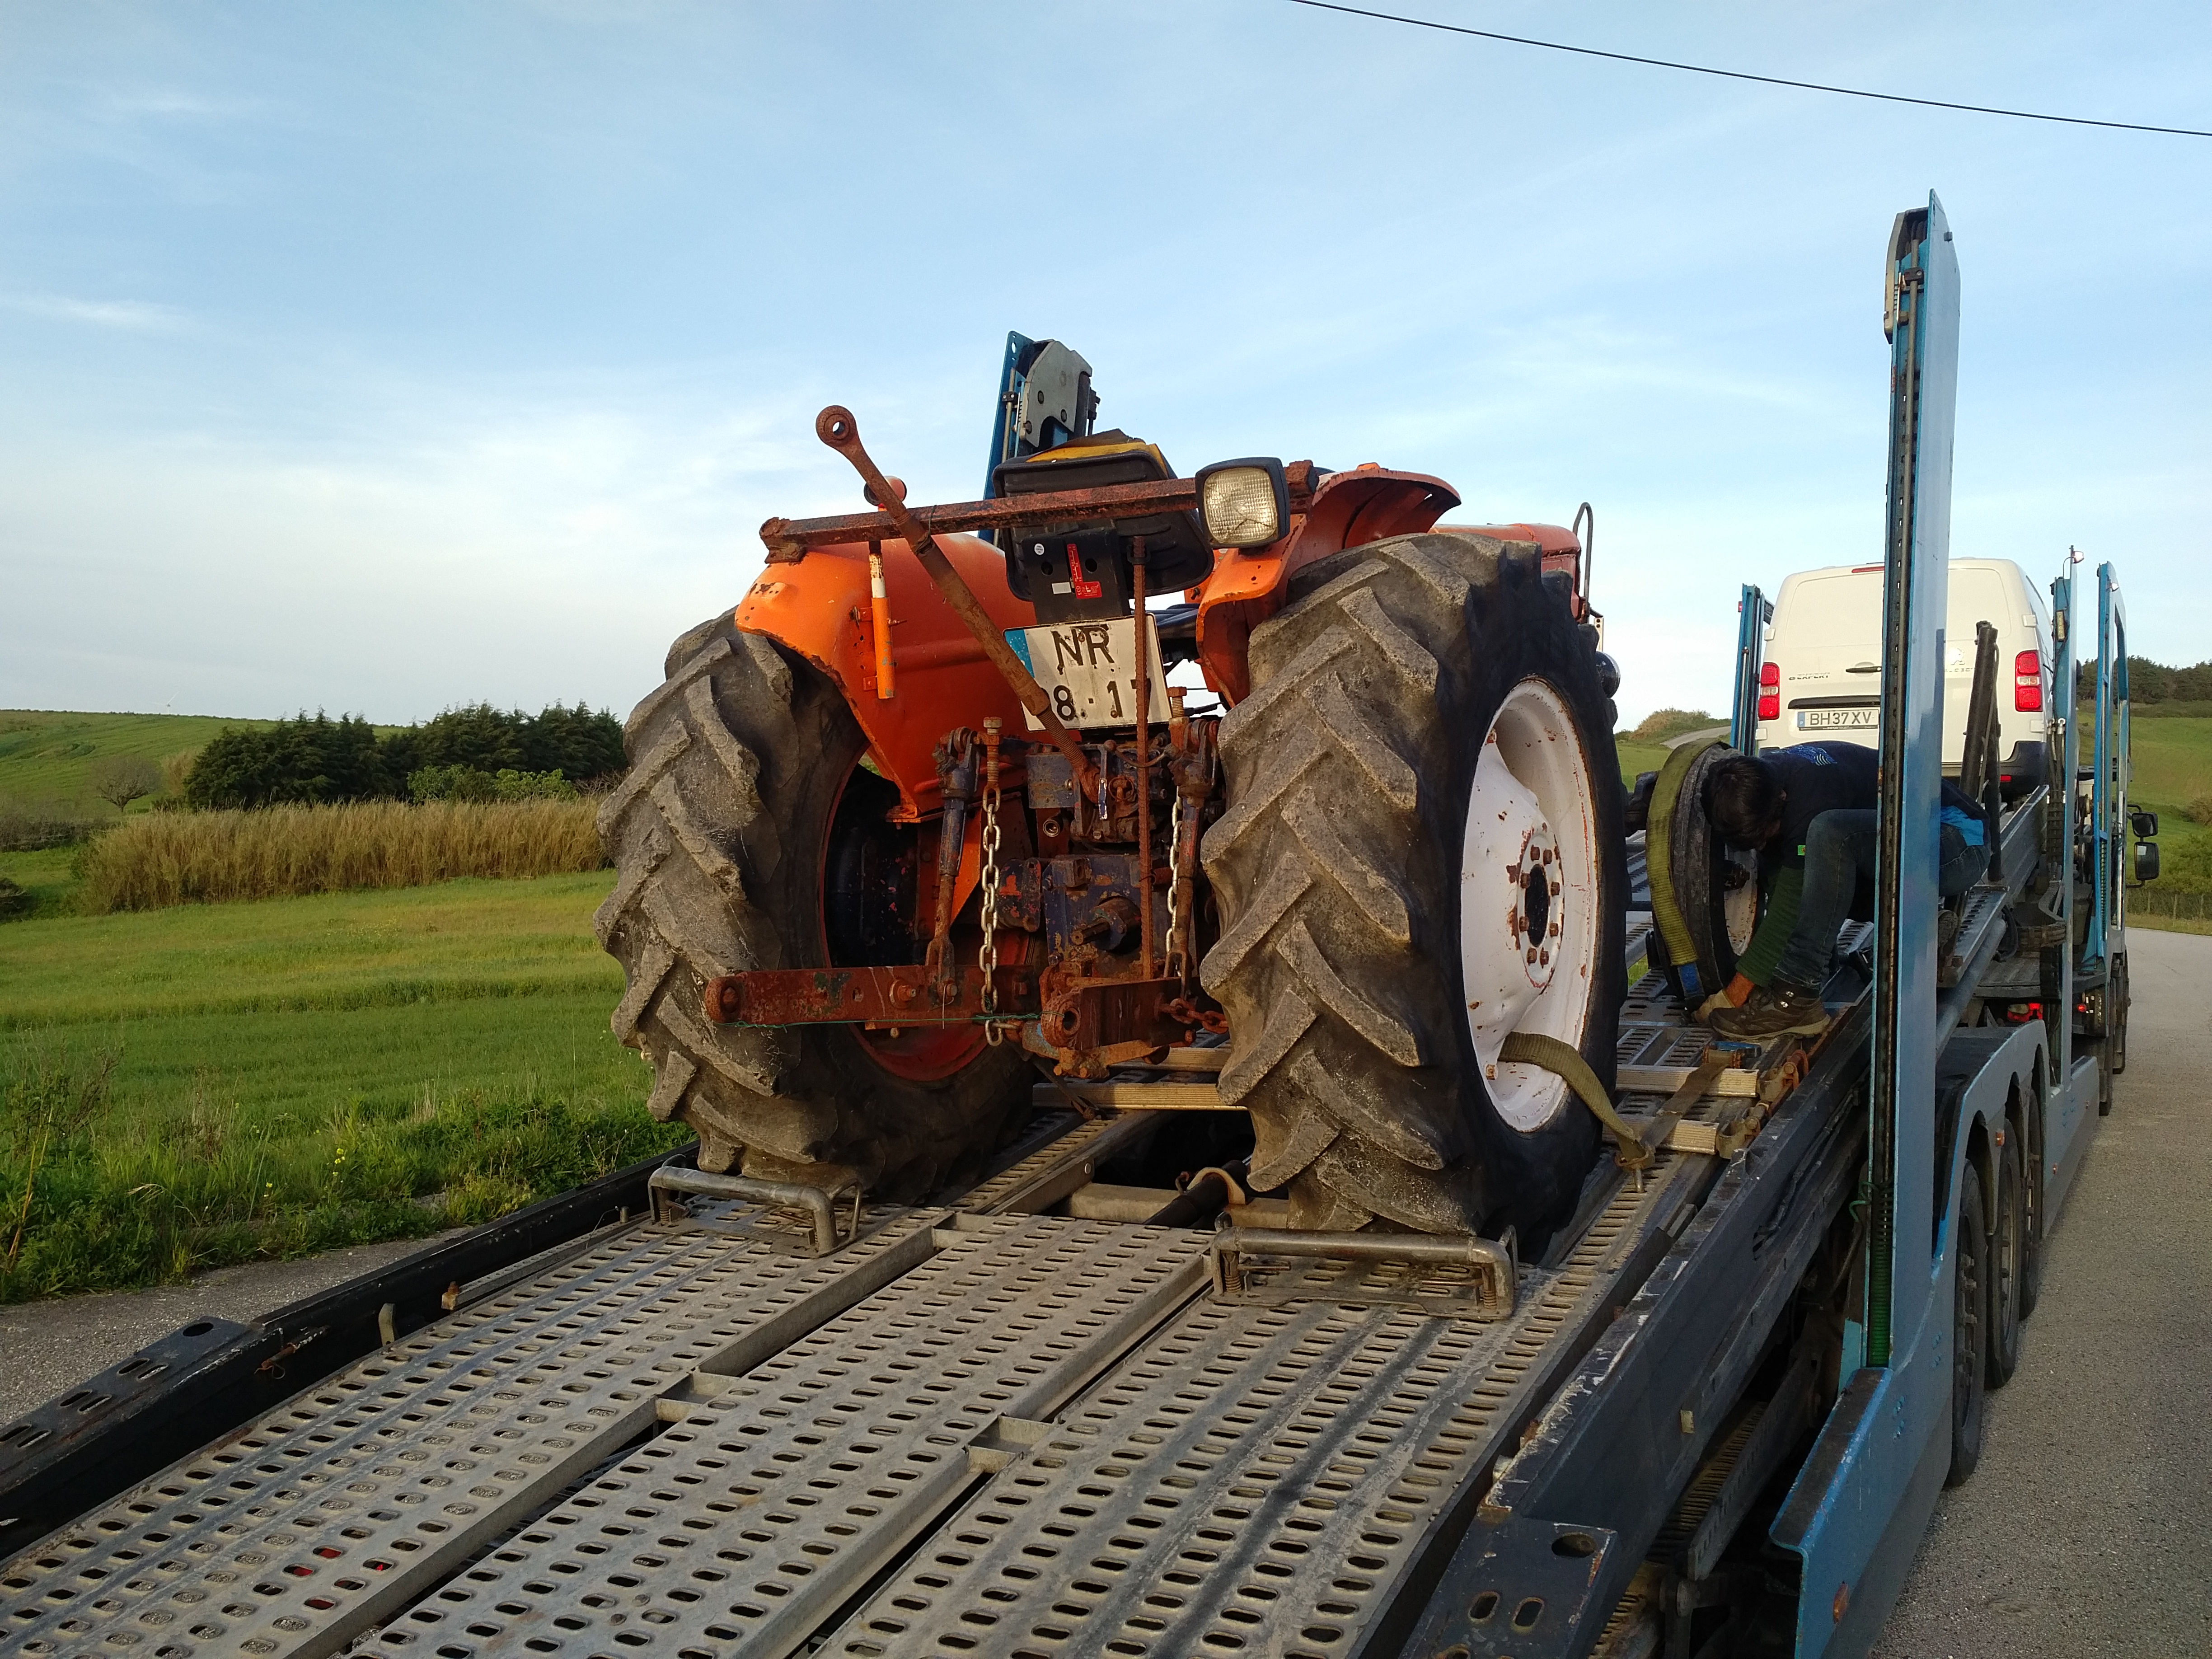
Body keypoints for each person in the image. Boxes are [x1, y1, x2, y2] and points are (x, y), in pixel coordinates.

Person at [1699, 741, 1988, 1040]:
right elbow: (1789, 881)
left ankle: (1796, 1001)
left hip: (1957, 843)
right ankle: (1918, 924)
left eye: (1761, 836)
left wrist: (1732, 996)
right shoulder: (1762, 784)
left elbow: (1791, 905)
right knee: (1819, 871)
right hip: (1906, 853)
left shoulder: (1812, 797)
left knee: (1830, 835)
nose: (1758, 846)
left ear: (1782, 798)